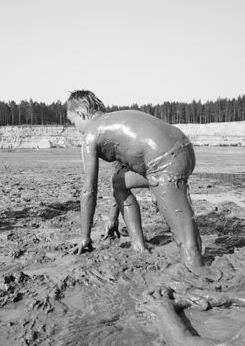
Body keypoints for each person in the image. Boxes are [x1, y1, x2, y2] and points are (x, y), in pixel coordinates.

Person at [65, 90, 208, 274]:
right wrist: (112, 218)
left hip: (164, 160)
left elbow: (88, 190)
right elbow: (118, 176)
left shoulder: (91, 134)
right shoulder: (113, 122)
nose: (76, 129)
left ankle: (199, 275)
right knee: (119, 182)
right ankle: (138, 244)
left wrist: (85, 237)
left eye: (73, 122)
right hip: (182, 148)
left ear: (81, 113)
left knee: (186, 241)